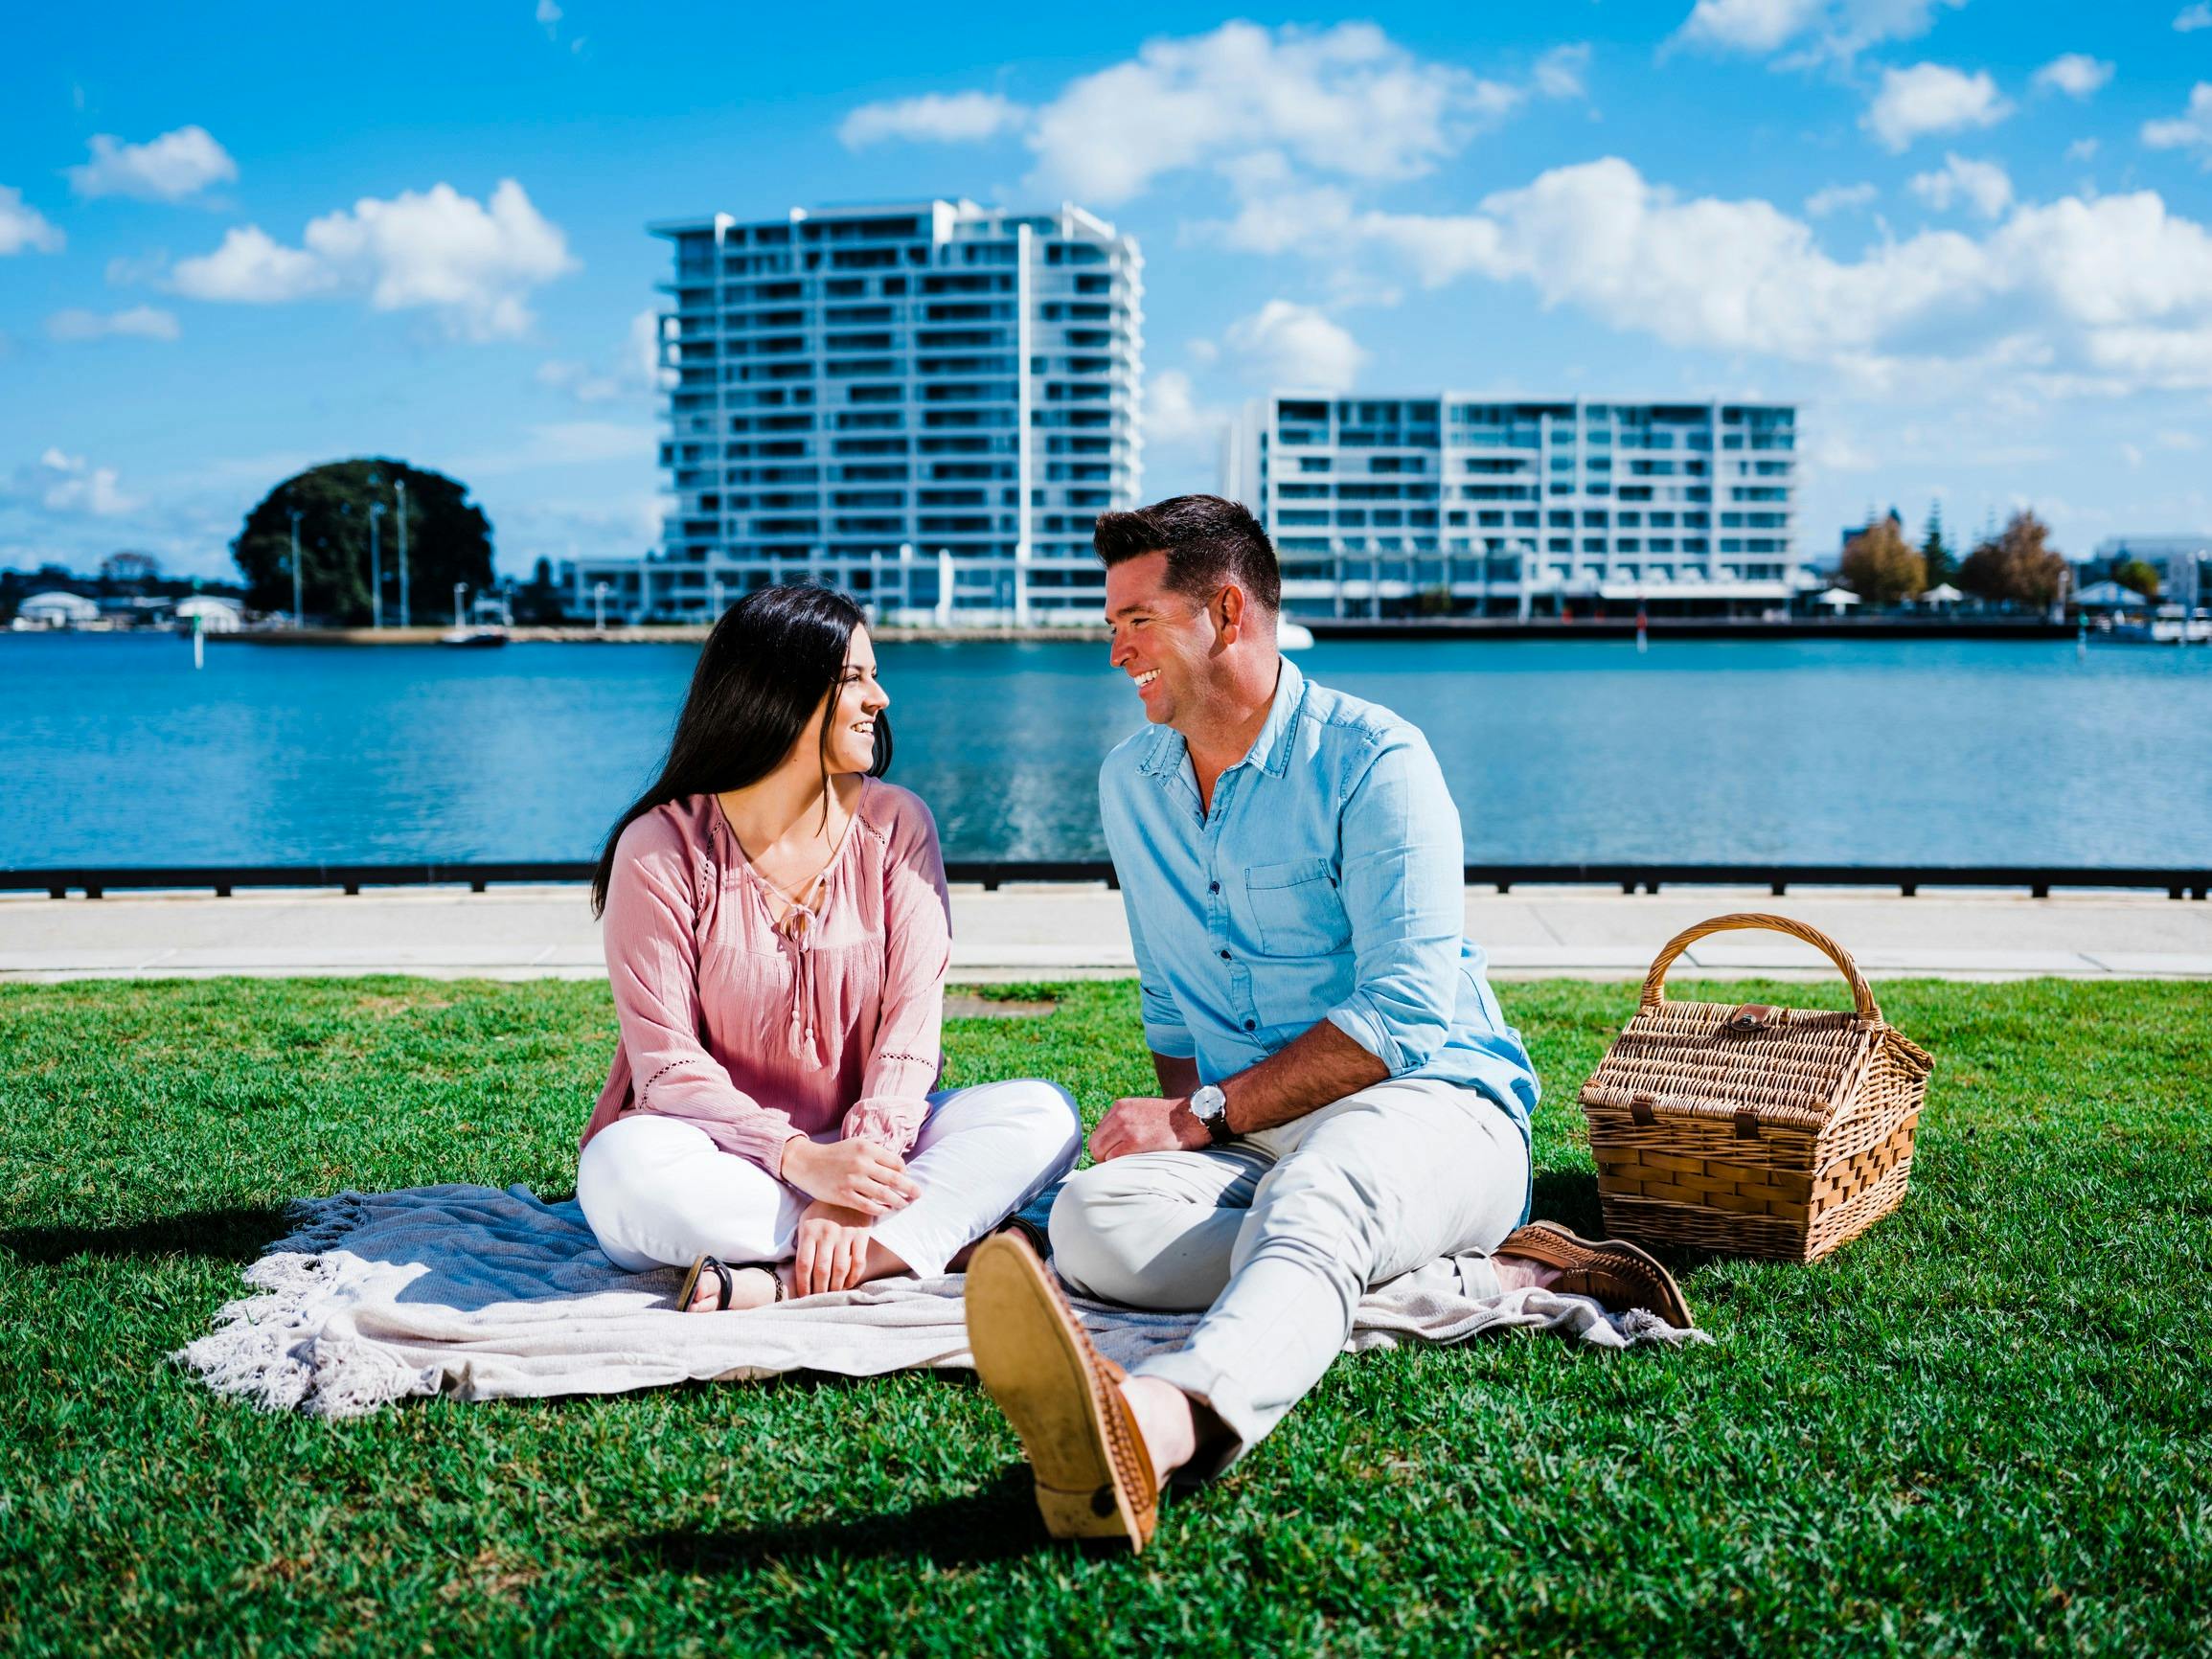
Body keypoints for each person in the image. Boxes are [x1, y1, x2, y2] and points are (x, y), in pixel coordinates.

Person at [964, 496, 1694, 1551]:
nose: (1115, 649)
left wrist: (1198, 1118)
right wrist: (1192, 1126)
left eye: (1135, 620)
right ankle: (1481, 1277)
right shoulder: (1130, 783)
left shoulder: (1374, 762)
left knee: (1320, 1191)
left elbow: (1401, 1011)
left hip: (1434, 1106)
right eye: (1108, 624)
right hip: (1247, 1132)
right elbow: (1169, 994)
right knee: (1089, 1223)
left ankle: (1160, 1421)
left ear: (1224, 613)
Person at [575, 585, 1081, 1311]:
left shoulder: (898, 824)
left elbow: (910, 1036)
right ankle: (928, 1241)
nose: (880, 697)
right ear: (774, 691)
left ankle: (781, 1280)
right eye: (853, 678)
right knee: (621, 1171)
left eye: (872, 676)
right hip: (719, 1157)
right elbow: (666, 1069)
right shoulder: (661, 846)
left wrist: (855, 1180)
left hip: (868, 1150)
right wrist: (802, 1161)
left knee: (1043, 1112)